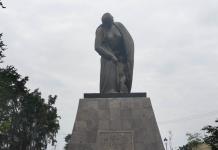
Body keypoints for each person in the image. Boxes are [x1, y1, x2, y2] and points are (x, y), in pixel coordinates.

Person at [95, 13, 134, 93]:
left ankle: (123, 89)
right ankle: (110, 90)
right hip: (108, 58)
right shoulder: (100, 30)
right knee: (110, 67)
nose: (108, 25)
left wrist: (127, 55)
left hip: (122, 58)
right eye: (106, 24)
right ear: (103, 23)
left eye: (110, 22)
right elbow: (97, 47)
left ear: (112, 20)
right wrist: (111, 56)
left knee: (123, 80)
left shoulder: (119, 26)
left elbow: (128, 41)